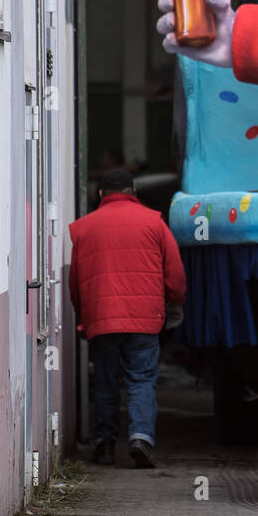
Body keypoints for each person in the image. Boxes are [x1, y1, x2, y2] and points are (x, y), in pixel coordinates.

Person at [68, 168, 186, 468]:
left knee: (106, 382)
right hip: (144, 320)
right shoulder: (154, 222)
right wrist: (175, 303)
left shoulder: (84, 228)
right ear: (133, 192)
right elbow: (174, 272)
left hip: (102, 319)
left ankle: (105, 444)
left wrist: (83, 316)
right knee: (141, 379)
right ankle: (140, 437)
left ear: (100, 194)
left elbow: (75, 281)